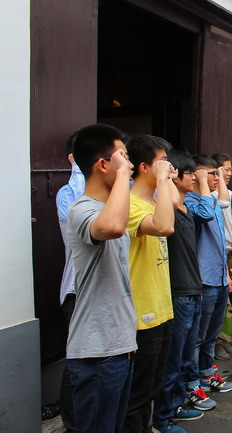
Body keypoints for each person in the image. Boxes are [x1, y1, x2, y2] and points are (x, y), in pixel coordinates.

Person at [123, 135, 201, 433]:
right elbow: (165, 227)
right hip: (142, 313)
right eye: (163, 162)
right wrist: (164, 180)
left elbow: (174, 208)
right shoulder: (130, 203)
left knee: (154, 387)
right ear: (144, 167)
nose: (170, 168)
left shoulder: (156, 201)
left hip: (164, 307)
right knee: (138, 394)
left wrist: (164, 181)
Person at [65, 124, 137, 433]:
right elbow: (111, 228)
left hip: (118, 346)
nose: (129, 164)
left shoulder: (110, 208)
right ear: (103, 164)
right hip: (96, 353)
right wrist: (122, 176)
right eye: (123, 157)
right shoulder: (81, 208)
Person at [152, 150, 212, 433]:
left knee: (185, 356)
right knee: (173, 359)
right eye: (189, 173)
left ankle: (175, 405)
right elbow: (172, 201)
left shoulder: (186, 208)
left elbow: (208, 210)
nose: (195, 178)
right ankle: (162, 417)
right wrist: (167, 179)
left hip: (193, 288)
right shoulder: (167, 209)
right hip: (178, 292)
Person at [184, 155, 232, 399]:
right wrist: (203, 182)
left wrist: (226, 273)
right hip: (203, 279)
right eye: (213, 173)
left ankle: (206, 372)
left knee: (211, 334)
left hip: (219, 276)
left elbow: (223, 203)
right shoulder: (189, 201)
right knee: (197, 336)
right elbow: (203, 215)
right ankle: (192, 382)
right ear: (197, 175)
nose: (218, 177)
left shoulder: (211, 200)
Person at [56, 131, 84, 433]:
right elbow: (82, 224)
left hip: (106, 291)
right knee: (78, 361)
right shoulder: (68, 193)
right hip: (77, 290)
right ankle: (73, 424)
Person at [211, 152, 232, 360]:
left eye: (230, 169)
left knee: (227, 301)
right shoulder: (211, 195)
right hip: (218, 252)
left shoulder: (230, 194)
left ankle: (225, 338)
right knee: (219, 301)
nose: (228, 173)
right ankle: (216, 342)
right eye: (224, 169)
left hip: (231, 251)